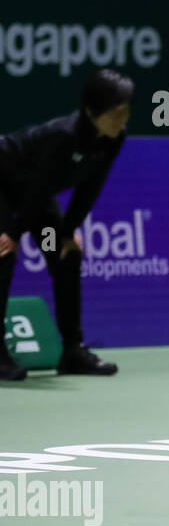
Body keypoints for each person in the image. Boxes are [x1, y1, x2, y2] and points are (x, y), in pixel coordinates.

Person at [0, 69, 132, 381]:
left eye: (127, 113)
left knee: (66, 257)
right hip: (5, 185)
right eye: (116, 113)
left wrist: (66, 233)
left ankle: (73, 350)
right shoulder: (64, 135)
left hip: (36, 195)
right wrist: (14, 233)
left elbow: (90, 188)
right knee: (3, 255)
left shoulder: (113, 139)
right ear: (91, 110)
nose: (122, 120)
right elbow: (38, 187)